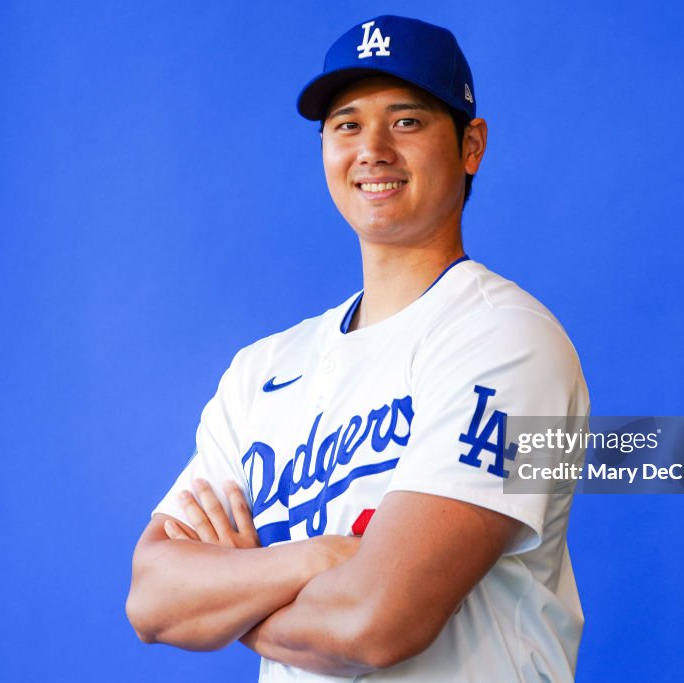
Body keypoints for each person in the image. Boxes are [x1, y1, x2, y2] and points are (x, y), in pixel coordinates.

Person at [126, 15, 590, 682]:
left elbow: (378, 621)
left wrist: (230, 597)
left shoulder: (506, 340)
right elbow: (152, 599)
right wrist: (319, 558)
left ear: (471, 145)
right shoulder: (262, 371)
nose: (372, 148)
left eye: (406, 121)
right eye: (346, 124)